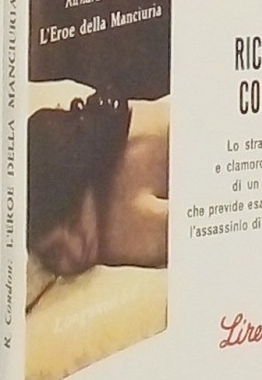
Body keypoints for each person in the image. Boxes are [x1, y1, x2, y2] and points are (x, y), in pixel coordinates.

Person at [27, 91, 169, 277]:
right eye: (54, 254)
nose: (77, 252)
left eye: (74, 222)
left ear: (89, 177)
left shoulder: (143, 156)